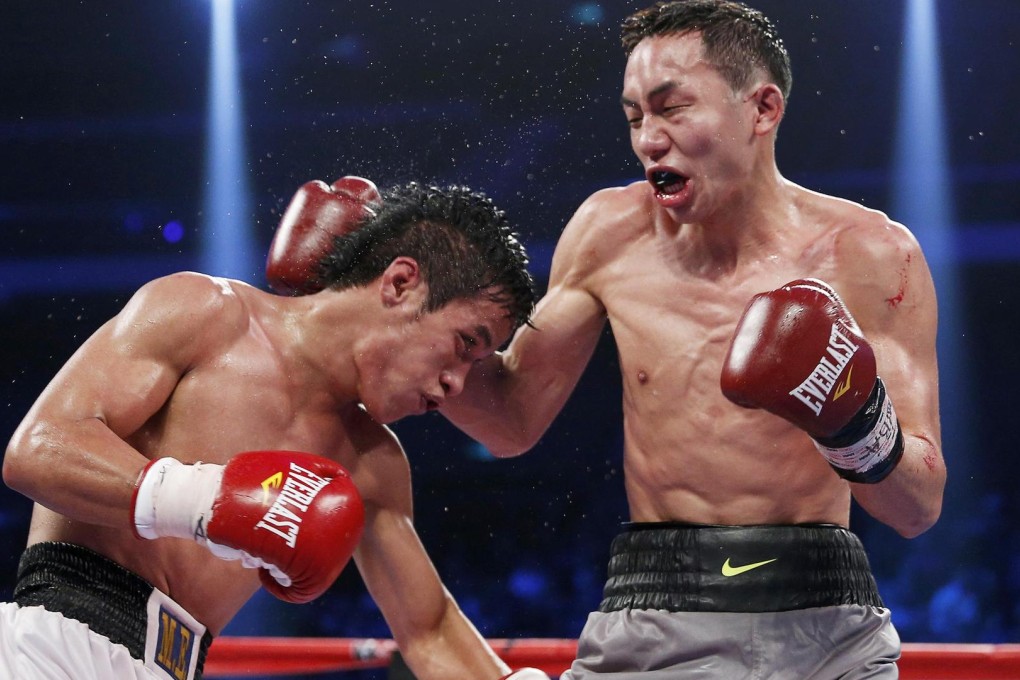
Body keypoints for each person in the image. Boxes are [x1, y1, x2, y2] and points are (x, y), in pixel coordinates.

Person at [440, 1, 947, 677]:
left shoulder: (870, 257)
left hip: (824, 632)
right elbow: (508, 422)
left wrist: (851, 419)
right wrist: (419, 328)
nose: (649, 138)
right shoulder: (608, 233)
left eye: (671, 107)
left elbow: (919, 507)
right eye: (633, 116)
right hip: (650, 619)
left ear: (761, 110)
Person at [1, 176, 549, 680]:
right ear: (401, 283)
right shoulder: (206, 314)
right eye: (465, 344)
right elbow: (38, 449)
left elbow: (428, 630)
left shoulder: (372, 462)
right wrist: (208, 500)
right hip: (54, 641)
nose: (457, 384)